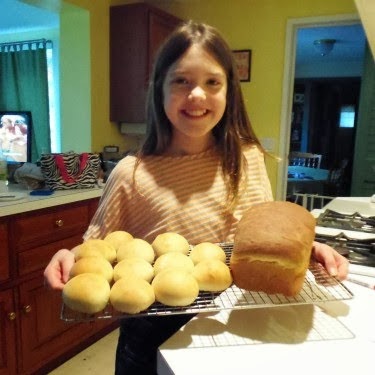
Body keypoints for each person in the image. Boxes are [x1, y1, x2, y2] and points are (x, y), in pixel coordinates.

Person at [44, 20, 348, 374]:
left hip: (232, 320)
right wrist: (69, 255)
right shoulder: (131, 174)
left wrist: (306, 252)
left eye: (212, 82)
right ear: (160, 89)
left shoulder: (246, 159)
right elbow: (97, 252)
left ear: (229, 91)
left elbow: (260, 241)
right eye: (181, 81)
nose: (197, 95)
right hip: (151, 335)